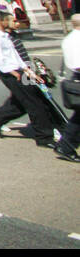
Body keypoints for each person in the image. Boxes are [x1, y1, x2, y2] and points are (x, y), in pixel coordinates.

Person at [0, 11, 55, 149]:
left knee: (21, 102)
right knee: (35, 103)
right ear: (2, 21)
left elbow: (15, 56)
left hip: (20, 71)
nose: (13, 22)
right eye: (10, 20)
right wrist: (15, 73)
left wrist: (28, 71)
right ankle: (44, 137)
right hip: (11, 74)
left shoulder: (5, 36)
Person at [55, 14, 80, 163]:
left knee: (78, 118)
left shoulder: (69, 38)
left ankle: (65, 146)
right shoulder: (76, 40)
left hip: (74, 78)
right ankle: (65, 146)